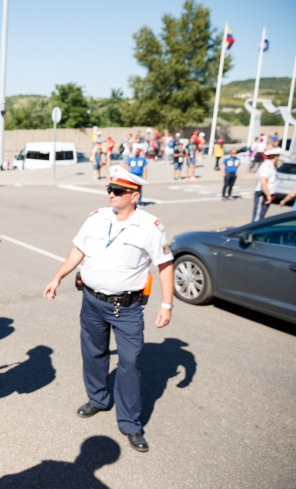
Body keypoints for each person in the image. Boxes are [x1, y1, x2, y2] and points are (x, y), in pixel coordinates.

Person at [43, 166, 174, 454]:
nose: (111, 195)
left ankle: (130, 423)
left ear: (134, 196)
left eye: (118, 191)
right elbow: (78, 249)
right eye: (109, 190)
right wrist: (57, 277)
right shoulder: (97, 218)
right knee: (93, 353)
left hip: (126, 307)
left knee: (129, 362)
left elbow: (165, 265)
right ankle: (98, 399)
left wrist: (167, 304)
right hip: (92, 301)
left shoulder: (150, 226)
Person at [252, 148, 281, 222]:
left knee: (261, 217)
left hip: (266, 194)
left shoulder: (271, 165)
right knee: (257, 219)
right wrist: (268, 195)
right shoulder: (267, 166)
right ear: (276, 156)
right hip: (262, 194)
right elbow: (263, 181)